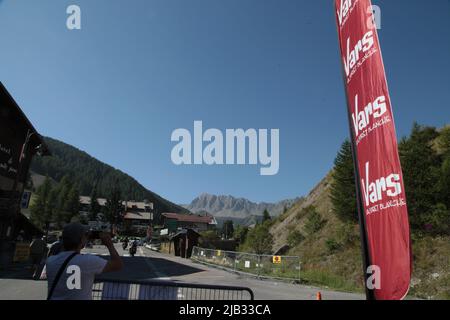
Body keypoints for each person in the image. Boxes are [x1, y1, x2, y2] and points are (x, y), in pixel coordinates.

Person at [45, 223, 123, 300]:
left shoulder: (50, 261)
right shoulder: (88, 261)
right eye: (85, 235)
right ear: (81, 239)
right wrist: (109, 244)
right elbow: (118, 264)